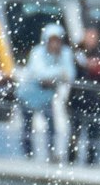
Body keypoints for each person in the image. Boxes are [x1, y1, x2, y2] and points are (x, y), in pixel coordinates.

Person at [15, 23, 73, 160]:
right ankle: (27, 155)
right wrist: (58, 72)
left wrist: (50, 76)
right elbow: (39, 73)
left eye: (57, 40)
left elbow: (70, 74)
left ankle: (51, 154)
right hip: (28, 93)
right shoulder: (37, 52)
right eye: (52, 40)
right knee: (27, 126)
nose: (55, 44)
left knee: (52, 125)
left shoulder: (65, 53)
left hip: (46, 95)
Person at [66, 26, 100, 165]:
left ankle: (90, 161)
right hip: (77, 98)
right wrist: (87, 65)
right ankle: (71, 159)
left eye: (94, 36)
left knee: (93, 132)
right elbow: (74, 67)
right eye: (89, 36)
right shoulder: (76, 51)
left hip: (94, 99)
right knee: (75, 131)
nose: (91, 39)